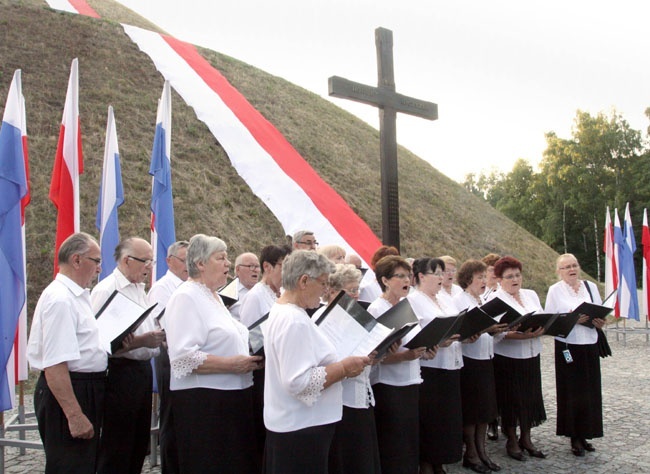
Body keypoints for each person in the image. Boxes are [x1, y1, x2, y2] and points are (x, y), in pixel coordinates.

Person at [263, 250, 371, 473]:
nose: (324, 291)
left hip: (298, 424)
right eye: (322, 283)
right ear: (304, 281)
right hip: (301, 427)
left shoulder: (288, 311)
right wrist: (343, 368)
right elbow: (298, 382)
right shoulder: (294, 320)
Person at [164, 234, 263, 473]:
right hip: (206, 403)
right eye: (221, 258)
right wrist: (231, 364)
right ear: (200, 264)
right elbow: (183, 358)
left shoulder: (213, 295)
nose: (228, 264)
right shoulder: (186, 296)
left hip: (233, 396)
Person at [27, 233, 107, 474]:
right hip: (70, 390)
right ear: (77, 260)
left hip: (85, 387)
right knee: (70, 465)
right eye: (96, 261)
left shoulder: (76, 296)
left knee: (84, 463)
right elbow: (55, 365)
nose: (99, 268)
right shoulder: (61, 300)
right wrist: (74, 415)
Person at [91, 237, 165, 474]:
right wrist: (141, 342)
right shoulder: (107, 290)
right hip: (119, 373)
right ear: (126, 260)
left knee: (137, 443)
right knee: (118, 444)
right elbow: (100, 343)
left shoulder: (138, 288)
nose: (149, 267)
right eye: (146, 262)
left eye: (152, 262)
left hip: (141, 371)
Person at [312, 263, 382, 474]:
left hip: (361, 396)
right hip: (340, 402)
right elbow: (323, 362)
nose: (356, 295)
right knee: (347, 460)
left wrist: (377, 354)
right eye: (351, 290)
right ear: (332, 292)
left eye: (357, 289)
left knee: (363, 457)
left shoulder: (356, 315)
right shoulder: (321, 318)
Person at [368, 255, 427, 474]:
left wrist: (427, 349)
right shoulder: (376, 309)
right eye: (400, 276)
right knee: (394, 440)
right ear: (385, 280)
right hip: (388, 384)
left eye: (408, 276)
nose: (407, 281)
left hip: (411, 379)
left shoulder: (407, 305)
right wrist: (402, 357)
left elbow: (414, 342)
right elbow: (374, 357)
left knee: (410, 438)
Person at [545, 253, 605, 457]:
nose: (571, 269)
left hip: (589, 343)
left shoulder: (590, 287)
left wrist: (599, 321)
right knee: (572, 391)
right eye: (566, 267)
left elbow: (599, 312)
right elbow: (550, 322)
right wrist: (572, 320)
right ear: (559, 272)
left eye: (574, 265)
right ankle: (574, 436)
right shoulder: (555, 290)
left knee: (590, 390)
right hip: (568, 346)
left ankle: (587, 432)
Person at [407, 257, 461, 474]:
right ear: (421, 276)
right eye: (436, 273)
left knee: (446, 418)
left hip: (451, 365)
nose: (441, 277)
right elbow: (414, 336)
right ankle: (427, 464)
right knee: (431, 418)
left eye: (442, 273)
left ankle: (440, 461)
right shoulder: (413, 299)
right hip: (430, 368)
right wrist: (437, 341)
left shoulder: (445, 298)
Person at [238, 244, 292, 462]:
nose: (288, 271)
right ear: (267, 267)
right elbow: (251, 338)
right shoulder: (256, 296)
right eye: (283, 266)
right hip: (264, 371)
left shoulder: (281, 293)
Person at [491, 256, 547, 462]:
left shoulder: (530, 294)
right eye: (509, 277)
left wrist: (540, 329)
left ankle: (527, 437)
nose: (515, 279)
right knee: (511, 399)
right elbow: (496, 333)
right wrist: (520, 334)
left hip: (532, 353)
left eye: (517, 275)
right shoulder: (495, 300)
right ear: (499, 279)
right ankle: (512, 440)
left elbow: (542, 315)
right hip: (509, 357)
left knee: (530, 396)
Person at [453, 259, 507, 473]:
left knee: (485, 409)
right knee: (473, 410)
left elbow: (487, 332)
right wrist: (483, 328)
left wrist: (498, 329)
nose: (484, 281)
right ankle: (471, 453)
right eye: (479, 277)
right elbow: (462, 330)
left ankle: (482, 451)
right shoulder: (460, 300)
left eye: (485, 277)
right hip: (470, 361)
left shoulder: (482, 300)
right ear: (468, 279)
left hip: (486, 359)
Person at [147, 240, 189, 474]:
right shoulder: (163, 288)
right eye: (184, 260)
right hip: (169, 355)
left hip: (187, 354)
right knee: (171, 416)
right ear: (169, 261)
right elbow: (167, 326)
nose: (188, 265)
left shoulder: (190, 286)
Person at [228, 252, 261, 321]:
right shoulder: (227, 293)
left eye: (257, 266)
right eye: (251, 266)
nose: (256, 270)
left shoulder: (264, 291)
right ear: (238, 269)